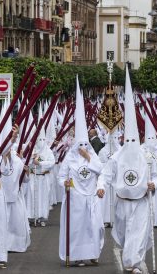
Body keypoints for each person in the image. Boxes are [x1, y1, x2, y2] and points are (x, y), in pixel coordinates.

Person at [97, 66, 157, 274]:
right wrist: (101, 187)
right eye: (128, 139)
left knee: (138, 234)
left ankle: (133, 265)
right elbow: (105, 174)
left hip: (141, 202)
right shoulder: (116, 157)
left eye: (135, 139)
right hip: (122, 204)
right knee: (125, 235)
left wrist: (154, 184)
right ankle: (133, 260)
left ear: (138, 139)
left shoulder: (147, 157)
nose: (131, 143)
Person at [59, 77, 104, 266]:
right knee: (77, 229)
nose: (84, 147)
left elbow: (100, 171)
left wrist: (87, 157)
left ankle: (93, 253)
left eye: (87, 144)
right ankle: (76, 256)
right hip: (75, 199)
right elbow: (61, 176)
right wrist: (65, 184)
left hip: (91, 197)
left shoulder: (92, 156)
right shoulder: (69, 158)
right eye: (81, 144)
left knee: (94, 227)